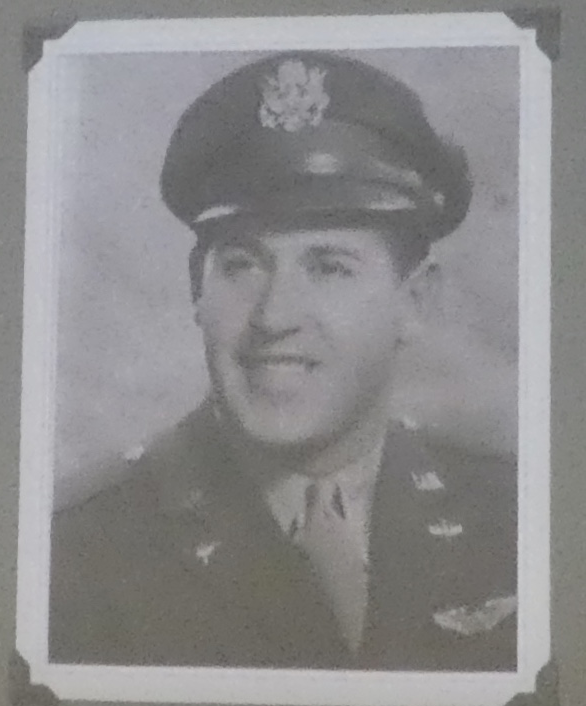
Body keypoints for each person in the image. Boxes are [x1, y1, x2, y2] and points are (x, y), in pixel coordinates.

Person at [49, 51, 517, 671]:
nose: (274, 316)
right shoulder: (75, 553)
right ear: (197, 290)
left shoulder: (514, 516)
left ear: (415, 301)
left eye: (329, 267)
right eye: (242, 265)